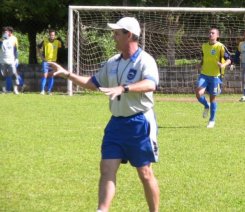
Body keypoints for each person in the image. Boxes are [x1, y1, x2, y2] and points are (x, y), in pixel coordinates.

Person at [49, 17, 160, 212]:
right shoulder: (112, 62)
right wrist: (67, 74)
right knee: (107, 169)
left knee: (145, 173)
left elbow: (151, 84)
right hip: (116, 124)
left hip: (139, 123)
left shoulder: (146, 60)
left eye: (117, 33)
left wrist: (124, 88)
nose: (113, 36)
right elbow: (93, 83)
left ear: (130, 35)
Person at [195, 28, 231, 128]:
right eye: (210, 33)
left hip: (216, 76)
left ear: (217, 36)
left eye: (213, 33)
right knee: (198, 92)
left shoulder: (220, 46)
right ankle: (206, 105)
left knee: (213, 98)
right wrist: (200, 64)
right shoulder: (204, 46)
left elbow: (229, 59)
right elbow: (204, 58)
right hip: (204, 74)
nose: (210, 34)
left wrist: (223, 65)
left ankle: (212, 120)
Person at [37, 29, 62, 95]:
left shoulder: (57, 42)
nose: (52, 36)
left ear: (55, 35)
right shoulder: (45, 41)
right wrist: (41, 57)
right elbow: (38, 47)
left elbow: (61, 49)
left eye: (53, 35)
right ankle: (42, 91)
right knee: (45, 75)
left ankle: (49, 91)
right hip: (46, 61)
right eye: (51, 35)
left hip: (53, 62)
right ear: (49, 35)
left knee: (51, 76)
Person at [0, 26, 19, 94]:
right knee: (2, 75)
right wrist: (2, 40)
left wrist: (16, 58)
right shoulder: (1, 39)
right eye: (4, 32)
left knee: (14, 74)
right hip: (2, 60)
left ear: (9, 32)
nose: (5, 33)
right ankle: (3, 90)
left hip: (11, 60)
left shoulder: (13, 39)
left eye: (6, 32)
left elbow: (16, 50)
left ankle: (15, 89)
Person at [236, 31, 245, 102]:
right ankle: (244, 95)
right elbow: (237, 54)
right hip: (243, 64)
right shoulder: (241, 44)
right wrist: (233, 62)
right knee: (244, 79)